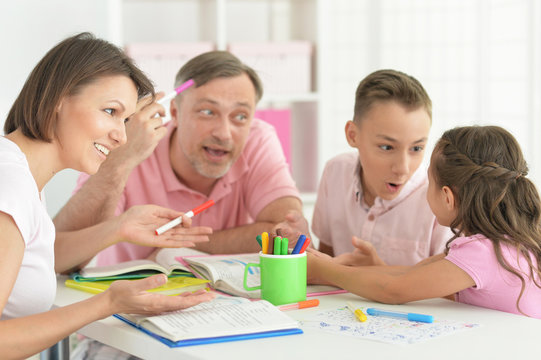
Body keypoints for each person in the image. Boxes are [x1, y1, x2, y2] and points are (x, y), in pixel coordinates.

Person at [0, 33, 214, 359]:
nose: (122, 135)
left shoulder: (22, 177)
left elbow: (38, 256)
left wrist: (121, 227)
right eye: (110, 111)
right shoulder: (10, 183)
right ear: (59, 98)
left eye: (126, 120)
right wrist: (108, 303)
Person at [53, 50, 302, 268]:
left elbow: (287, 232)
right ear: (175, 112)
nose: (224, 133)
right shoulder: (131, 142)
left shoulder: (257, 139)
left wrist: (176, 249)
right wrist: (120, 161)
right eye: (207, 112)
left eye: (240, 116)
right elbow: (59, 257)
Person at [307, 125, 541, 318]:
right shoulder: (503, 242)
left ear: (448, 197)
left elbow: (394, 290)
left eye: (430, 182)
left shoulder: (482, 253)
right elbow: (415, 273)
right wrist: (338, 268)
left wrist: (325, 270)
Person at [278, 69, 451, 266]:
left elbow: (449, 294)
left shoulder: (441, 199)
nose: (402, 168)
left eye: (416, 148)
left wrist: (375, 275)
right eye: (387, 147)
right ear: (353, 135)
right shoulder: (336, 172)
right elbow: (329, 263)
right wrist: (303, 242)